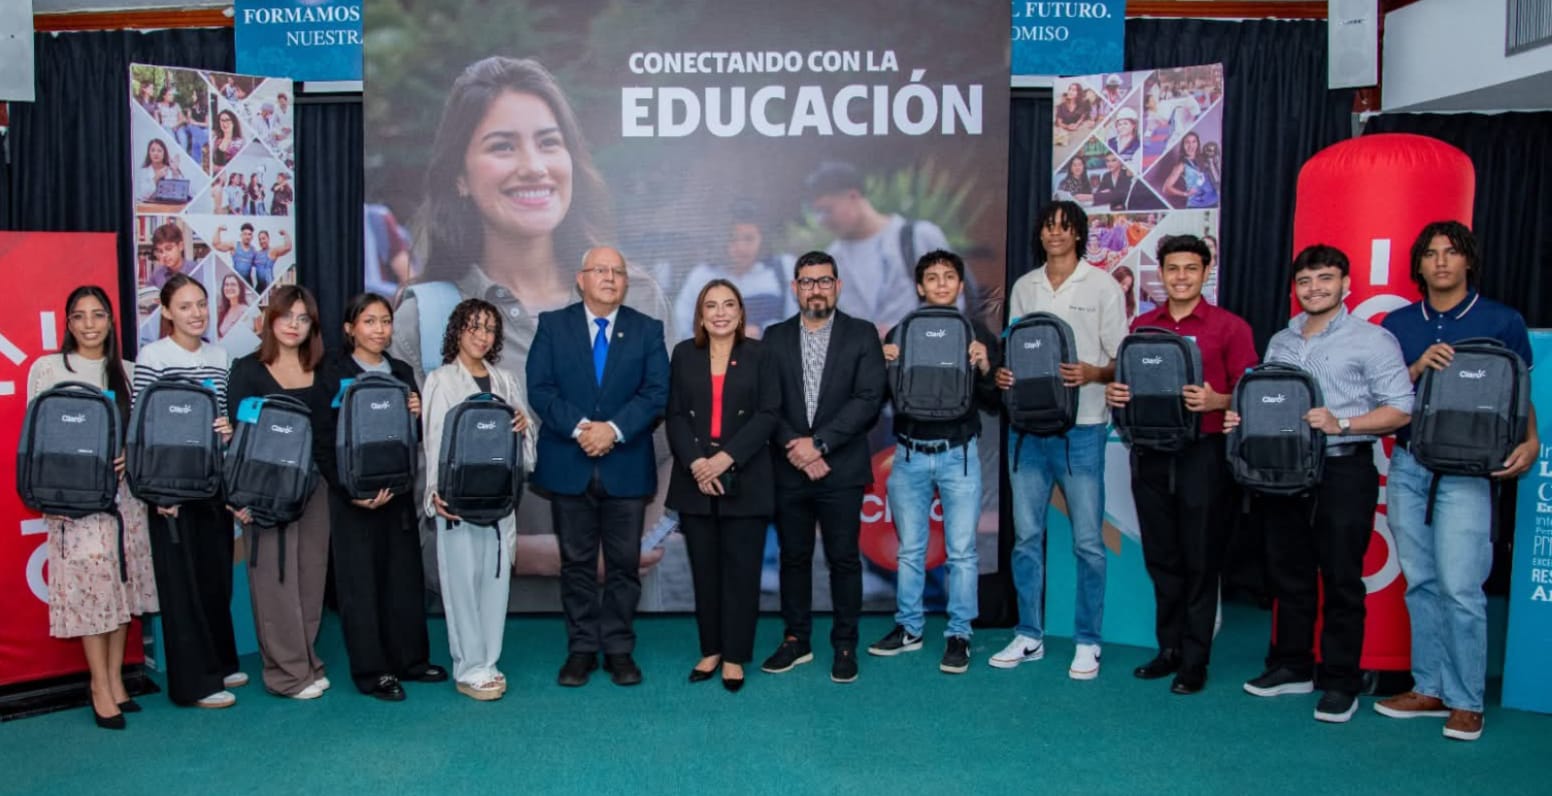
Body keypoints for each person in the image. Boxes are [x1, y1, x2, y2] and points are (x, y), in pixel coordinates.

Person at [389, 55, 671, 612]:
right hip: (491, 629)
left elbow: (670, 453)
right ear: (459, 178)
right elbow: (406, 512)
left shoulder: (639, 297)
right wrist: (548, 554)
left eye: (549, 142)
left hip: (626, 624)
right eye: (502, 146)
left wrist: (638, 542)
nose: (534, 166)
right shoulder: (425, 321)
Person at [1231, 244, 1413, 724]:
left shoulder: (1372, 340)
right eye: (1306, 281)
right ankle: (1293, 666)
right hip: (1284, 473)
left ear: (1345, 284)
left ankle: (1340, 681)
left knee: (1341, 578)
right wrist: (1244, 419)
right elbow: (1270, 399)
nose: (1315, 288)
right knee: (1288, 573)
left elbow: (1401, 408)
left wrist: (1343, 423)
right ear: (1296, 288)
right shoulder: (1281, 341)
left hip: (1343, 469)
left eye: (1325, 278)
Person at [1375, 221, 1539, 741]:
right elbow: (1385, 397)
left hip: (1469, 472)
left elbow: (1519, 391)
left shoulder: (1502, 320)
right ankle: (1429, 687)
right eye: (1430, 254)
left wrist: (1532, 441)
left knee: (1461, 587)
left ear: (1468, 260)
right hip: (1409, 465)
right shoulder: (1398, 324)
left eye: (1451, 252)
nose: (1441, 261)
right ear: (1419, 266)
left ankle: (1467, 700)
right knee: (1421, 582)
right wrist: (1416, 367)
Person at [1104, 235, 1256, 694]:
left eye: (1191, 268)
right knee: (1162, 556)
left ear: (1206, 272)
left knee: (1200, 558)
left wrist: (1218, 400)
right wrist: (1117, 394)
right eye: (1173, 269)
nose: (1181, 277)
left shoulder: (1230, 327)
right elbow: (1127, 384)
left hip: (1203, 454)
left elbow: (1252, 393)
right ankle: (1168, 648)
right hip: (1149, 453)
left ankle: (1195, 659)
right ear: (1162, 274)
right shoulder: (1142, 325)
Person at [992, 201, 1127, 679]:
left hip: (1082, 428)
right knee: (1026, 538)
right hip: (1027, 431)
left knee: (1088, 541)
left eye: (1064, 227)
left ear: (1078, 235)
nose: (1055, 234)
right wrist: (1005, 375)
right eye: (1048, 226)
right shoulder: (1024, 287)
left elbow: (1121, 360)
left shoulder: (1103, 285)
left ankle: (1088, 640)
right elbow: (1016, 348)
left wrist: (1093, 372)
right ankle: (1029, 633)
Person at [527, 246, 669, 687]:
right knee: (577, 564)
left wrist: (614, 431)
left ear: (626, 282)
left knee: (624, 564)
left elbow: (656, 392)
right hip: (569, 465)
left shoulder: (647, 329)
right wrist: (582, 428)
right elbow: (540, 388)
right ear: (580, 278)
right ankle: (582, 649)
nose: (610, 277)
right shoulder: (553, 325)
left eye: (618, 272)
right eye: (600, 270)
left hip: (626, 466)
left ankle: (619, 649)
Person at [27, 287, 158, 729]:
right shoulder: (48, 369)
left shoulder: (129, 372)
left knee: (121, 590)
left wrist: (129, 456)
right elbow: (36, 440)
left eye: (98, 315)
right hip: (75, 503)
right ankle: (99, 686)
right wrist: (48, 497)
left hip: (125, 502)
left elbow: (142, 436)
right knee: (93, 594)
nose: (89, 324)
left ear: (110, 321)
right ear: (68, 323)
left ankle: (117, 680)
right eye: (79, 316)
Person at [865, 250, 999, 674]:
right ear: (920, 286)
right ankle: (909, 627)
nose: (942, 284)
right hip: (908, 455)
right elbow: (880, 402)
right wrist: (880, 365)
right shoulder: (900, 332)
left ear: (959, 285)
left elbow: (995, 402)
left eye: (949, 277)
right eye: (933, 277)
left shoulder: (976, 333)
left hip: (959, 455)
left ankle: (959, 633)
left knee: (962, 552)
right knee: (910, 551)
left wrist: (985, 366)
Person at [759, 251, 886, 684]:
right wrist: (797, 449)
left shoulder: (862, 334)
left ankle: (845, 644)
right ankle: (796, 639)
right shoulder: (774, 337)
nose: (816, 289)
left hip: (841, 469)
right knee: (793, 558)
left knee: (844, 559)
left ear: (838, 286)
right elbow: (766, 403)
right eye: (808, 281)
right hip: (789, 467)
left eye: (825, 281)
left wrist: (819, 445)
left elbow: (868, 400)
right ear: (795, 288)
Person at [316, 294, 450, 701]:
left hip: (397, 493)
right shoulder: (332, 373)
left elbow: (416, 437)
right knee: (361, 587)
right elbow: (323, 441)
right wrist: (348, 493)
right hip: (354, 499)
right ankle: (373, 673)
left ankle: (411, 661)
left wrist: (417, 413)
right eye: (369, 321)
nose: (379, 329)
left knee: (403, 581)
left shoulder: (402, 371)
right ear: (350, 328)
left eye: (385, 321)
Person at [133, 274, 244, 708]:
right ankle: (194, 684)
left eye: (200, 304)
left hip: (212, 481)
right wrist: (157, 492)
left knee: (215, 577)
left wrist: (228, 429)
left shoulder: (219, 356)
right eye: (184, 306)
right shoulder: (153, 356)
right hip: (171, 487)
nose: (196, 313)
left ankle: (220, 663)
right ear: (166, 311)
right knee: (183, 587)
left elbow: (222, 416)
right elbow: (143, 425)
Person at [665, 280, 780, 692]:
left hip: (744, 476)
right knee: (705, 572)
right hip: (695, 478)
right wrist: (698, 463)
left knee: (742, 574)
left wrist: (725, 458)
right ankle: (710, 650)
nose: (720, 313)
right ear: (700, 314)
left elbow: (768, 414)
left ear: (740, 313)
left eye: (729, 305)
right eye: (711, 305)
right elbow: (675, 415)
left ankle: (734, 656)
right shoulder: (684, 354)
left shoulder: (760, 354)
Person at [225, 286, 334, 700]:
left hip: (315, 487)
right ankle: (286, 674)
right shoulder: (247, 370)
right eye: (287, 316)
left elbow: (330, 433)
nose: (294, 325)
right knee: (274, 581)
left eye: (303, 318)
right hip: (266, 492)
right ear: (271, 320)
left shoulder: (323, 369)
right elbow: (238, 441)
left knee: (310, 577)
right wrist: (240, 500)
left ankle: (305, 661)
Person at [422, 298, 532, 701]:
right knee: (461, 586)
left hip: (499, 498)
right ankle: (469, 667)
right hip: (458, 501)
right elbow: (433, 440)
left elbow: (525, 452)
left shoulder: (506, 381)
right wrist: (434, 494)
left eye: (489, 329)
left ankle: (489, 661)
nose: (482, 336)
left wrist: (523, 425)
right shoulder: (441, 380)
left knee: (495, 584)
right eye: (474, 326)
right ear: (457, 331)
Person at [804, 161, 952, 333]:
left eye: (827, 210)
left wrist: (905, 333)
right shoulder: (830, 260)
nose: (822, 220)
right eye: (817, 214)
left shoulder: (917, 237)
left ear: (853, 196)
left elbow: (953, 304)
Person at [672, 201, 790, 340]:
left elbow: (796, 328)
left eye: (749, 239)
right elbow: (680, 329)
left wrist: (762, 331)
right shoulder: (701, 277)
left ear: (762, 239)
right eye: (732, 239)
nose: (741, 247)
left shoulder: (781, 271)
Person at [1163, 132, 1219, 209]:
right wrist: (1184, 194)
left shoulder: (1205, 157)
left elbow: (1217, 179)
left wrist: (1212, 162)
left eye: (1194, 141)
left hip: (1214, 203)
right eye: (1187, 142)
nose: (1191, 146)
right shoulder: (1181, 165)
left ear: (1198, 143)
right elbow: (1166, 188)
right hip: (1195, 206)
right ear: (1183, 145)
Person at [213, 224, 264, 291]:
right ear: (241, 235)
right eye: (245, 234)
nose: (247, 237)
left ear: (252, 237)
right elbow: (217, 245)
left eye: (249, 234)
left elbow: (260, 265)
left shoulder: (253, 250)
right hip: (235, 281)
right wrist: (218, 230)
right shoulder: (234, 245)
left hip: (248, 284)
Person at [134, 139, 183, 204]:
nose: (156, 153)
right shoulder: (142, 172)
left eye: (159, 151)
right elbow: (141, 196)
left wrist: (175, 171)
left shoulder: (171, 170)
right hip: (149, 208)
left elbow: (181, 194)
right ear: (149, 153)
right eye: (152, 150)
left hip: (169, 207)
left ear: (164, 153)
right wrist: (156, 178)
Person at [146, 222, 190, 288]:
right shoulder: (156, 275)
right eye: (160, 251)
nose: (164, 255)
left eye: (168, 249)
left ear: (180, 246)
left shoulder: (198, 270)